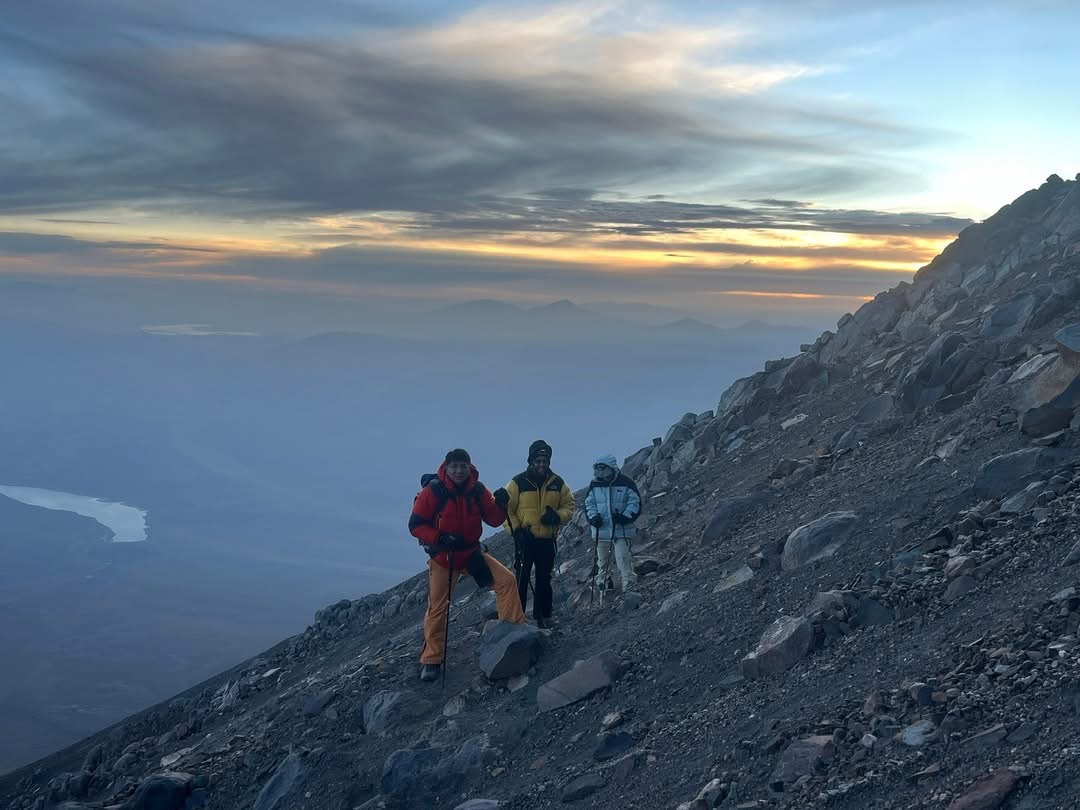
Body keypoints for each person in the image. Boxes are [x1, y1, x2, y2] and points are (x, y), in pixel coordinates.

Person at [409, 448, 525, 682]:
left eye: (463, 466)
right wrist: (439, 538)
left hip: (470, 554)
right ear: (446, 467)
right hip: (444, 557)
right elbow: (415, 525)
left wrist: (501, 505)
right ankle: (431, 660)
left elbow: (493, 519)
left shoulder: (478, 490)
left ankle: (513, 635)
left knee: (507, 581)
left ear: (469, 467)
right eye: (455, 466)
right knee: (438, 606)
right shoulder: (433, 492)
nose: (459, 470)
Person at [504, 440, 574, 628]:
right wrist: (516, 531)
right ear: (531, 460)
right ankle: (517, 619)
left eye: (545, 460)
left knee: (544, 579)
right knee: (521, 578)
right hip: (525, 539)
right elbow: (506, 509)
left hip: (547, 540)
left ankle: (543, 617)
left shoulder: (558, 483)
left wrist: (557, 517)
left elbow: (569, 506)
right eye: (538, 460)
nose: (541, 464)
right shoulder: (517, 482)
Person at [585, 454, 641, 595]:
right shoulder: (594, 484)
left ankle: (629, 584)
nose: (599, 471)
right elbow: (589, 504)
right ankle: (604, 584)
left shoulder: (626, 482)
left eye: (602, 468)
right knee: (602, 561)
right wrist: (593, 518)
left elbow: (635, 502)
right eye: (597, 468)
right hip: (601, 530)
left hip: (621, 529)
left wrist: (624, 517)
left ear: (611, 467)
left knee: (623, 557)